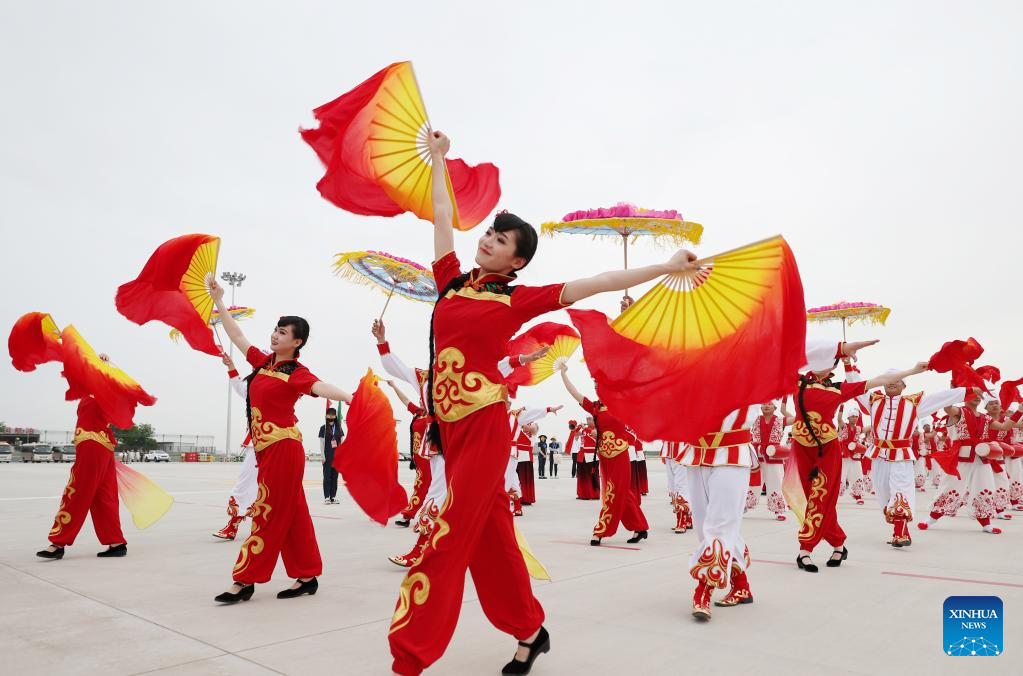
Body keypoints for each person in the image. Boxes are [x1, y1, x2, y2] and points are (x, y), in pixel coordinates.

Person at [387, 129, 698, 676]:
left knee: (446, 532)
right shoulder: (451, 284)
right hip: (448, 428)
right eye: (489, 232)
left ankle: (409, 658)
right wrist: (438, 160)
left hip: (483, 425)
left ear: (517, 261)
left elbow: (598, 281)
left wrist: (665, 267)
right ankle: (530, 631)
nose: (488, 239)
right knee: (490, 542)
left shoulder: (515, 299)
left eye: (501, 239)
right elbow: (440, 214)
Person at [209, 282, 353, 605]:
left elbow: (318, 386)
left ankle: (244, 580)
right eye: (275, 330)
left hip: (284, 449)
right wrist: (219, 302)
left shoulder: (294, 372)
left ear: (297, 342)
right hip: (268, 451)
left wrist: (347, 396)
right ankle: (306, 575)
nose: (275, 335)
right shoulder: (263, 363)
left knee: (266, 510)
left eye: (283, 333)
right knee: (294, 514)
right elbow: (237, 337)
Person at [791, 339, 927, 572]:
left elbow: (880, 381)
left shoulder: (839, 389)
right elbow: (791, 354)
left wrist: (912, 371)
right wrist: (845, 348)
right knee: (812, 499)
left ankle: (805, 549)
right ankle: (838, 543)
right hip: (801, 447)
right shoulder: (796, 382)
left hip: (827, 449)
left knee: (821, 497)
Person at [849, 368, 969, 547]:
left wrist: (968, 390)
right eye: (889, 379)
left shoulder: (914, 403)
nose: (892, 382)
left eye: (897, 380)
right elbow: (856, 386)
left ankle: (900, 533)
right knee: (884, 494)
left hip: (901, 456)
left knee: (900, 492)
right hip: (879, 455)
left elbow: (940, 397)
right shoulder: (873, 401)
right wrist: (848, 365)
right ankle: (899, 528)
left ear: (904, 386)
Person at [37, 371, 129, 560]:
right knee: (104, 495)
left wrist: (105, 366)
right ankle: (116, 542)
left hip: (93, 446)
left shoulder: (106, 394)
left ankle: (58, 543)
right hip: (101, 447)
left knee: (77, 491)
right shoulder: (92, 394)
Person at [681, 405, 760, 620]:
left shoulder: (750, 371)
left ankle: (703, 589)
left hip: (732, 451)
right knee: (704, 524)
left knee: (720, 525)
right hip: (696, 452)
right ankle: (741, 585)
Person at [559, 363, 650, 546]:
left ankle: (600, 530)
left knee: (614, 492)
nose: (596, 387)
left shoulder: (622, 404)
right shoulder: (595, 407)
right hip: (603, 456)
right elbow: (574, 393)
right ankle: (640, 528)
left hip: (620, 455)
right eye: (594, 385)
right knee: (622, 493)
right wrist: (563, 374)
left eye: (599, 384)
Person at [918, 391, 1020, 533]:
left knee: (984, 487)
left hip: (981, 457)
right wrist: (955, 390)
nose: (977, 396)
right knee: (950, 486)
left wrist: (1020, 411)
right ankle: (931, 518)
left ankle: (986, 523)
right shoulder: (959, 412)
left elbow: (1005, 427)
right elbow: (947, 408)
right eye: (973, 393)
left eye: (980, 394)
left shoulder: (986, 418)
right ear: (964, 395)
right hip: (961, 458)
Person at [213, 354, 259, 540]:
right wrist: (231, 366)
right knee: (248, 484)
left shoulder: (280, 381)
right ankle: (234, 525)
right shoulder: (255, 384)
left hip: (274, 441)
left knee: (250, 485)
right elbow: (241, 386)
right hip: (259, 442)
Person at [747, 400, 794, 521]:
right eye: (764, 404)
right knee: (752, 482)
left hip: (774, 455)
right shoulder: (754, 419)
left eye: (769, 404)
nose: (766, 406)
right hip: (757, 456)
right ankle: (745, 506)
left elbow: (797, 418)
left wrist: (784, 403)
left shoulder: (780, 420)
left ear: (775, 407)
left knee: (776, 483)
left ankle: (779, 510)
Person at [660, 441, 692, 533]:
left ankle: (682, 521)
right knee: (673, 487)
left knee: (681, 486)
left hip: (682, 451)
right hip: (668, 450)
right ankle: (688, 519)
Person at [319, 405, 344, 504]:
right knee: (327, 476)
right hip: (327, 455)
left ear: (335, 416)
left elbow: (341, 442)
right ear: (326, 415)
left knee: (335, 476)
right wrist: (323, 456)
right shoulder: (323, 428)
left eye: (333, 414)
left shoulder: (339, 428)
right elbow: (322, 443)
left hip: (337, 456)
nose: (331, 416)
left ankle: (333, 497)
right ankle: (326, 497)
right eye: (329, 414)